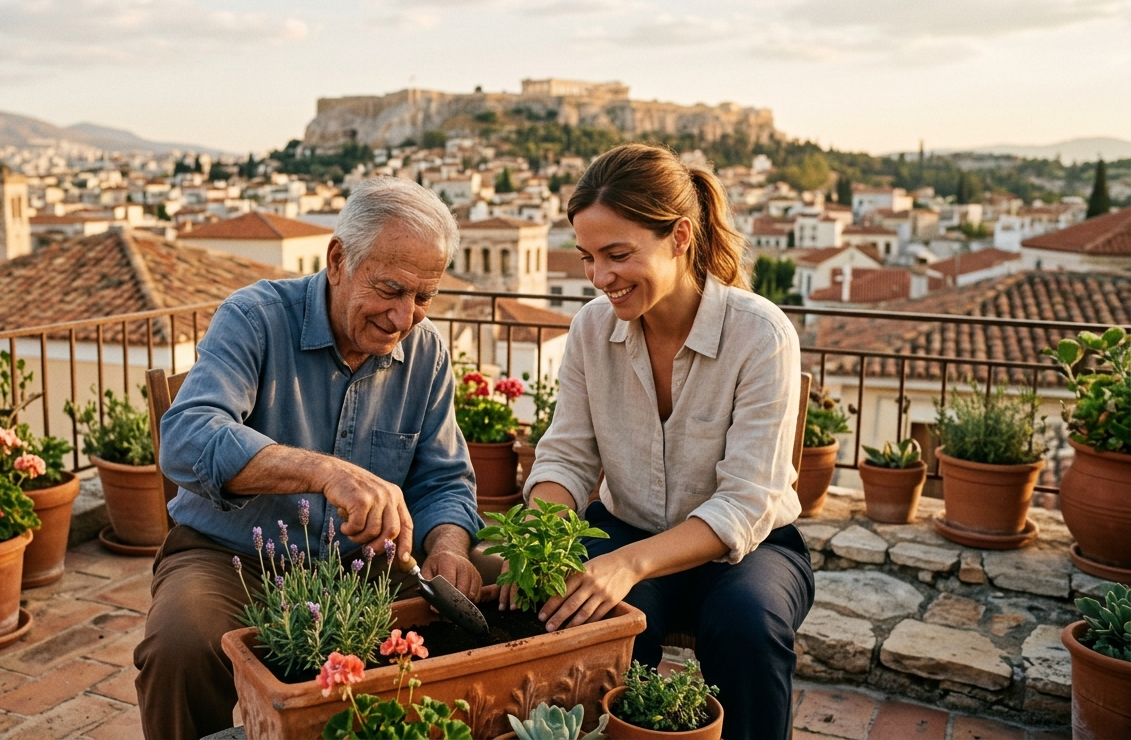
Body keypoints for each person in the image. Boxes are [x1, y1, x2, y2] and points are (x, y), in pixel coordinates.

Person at [135, 177, 484, 740]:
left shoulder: (427, 349)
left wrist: (447, 546)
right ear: (339, 259)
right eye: (390, 290)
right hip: (237, 559)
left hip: (364, 566)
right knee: (180, 644)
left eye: (423, 298)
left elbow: (444, 477)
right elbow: (187, 435)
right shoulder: (254, 317)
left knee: (502, 592)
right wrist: (324, 471)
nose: (404, 317)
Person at [508, 143, 814, 740]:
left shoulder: (761, 334)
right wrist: (540, 540)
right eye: (588, 258)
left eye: (618, 255)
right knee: (589, 619)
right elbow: (567, 457)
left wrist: (623, 564)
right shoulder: (591, 331)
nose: (600, 279)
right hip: (628, 528)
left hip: (753, 550)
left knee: (747, 626)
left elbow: (747, 502)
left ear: (679, 236)